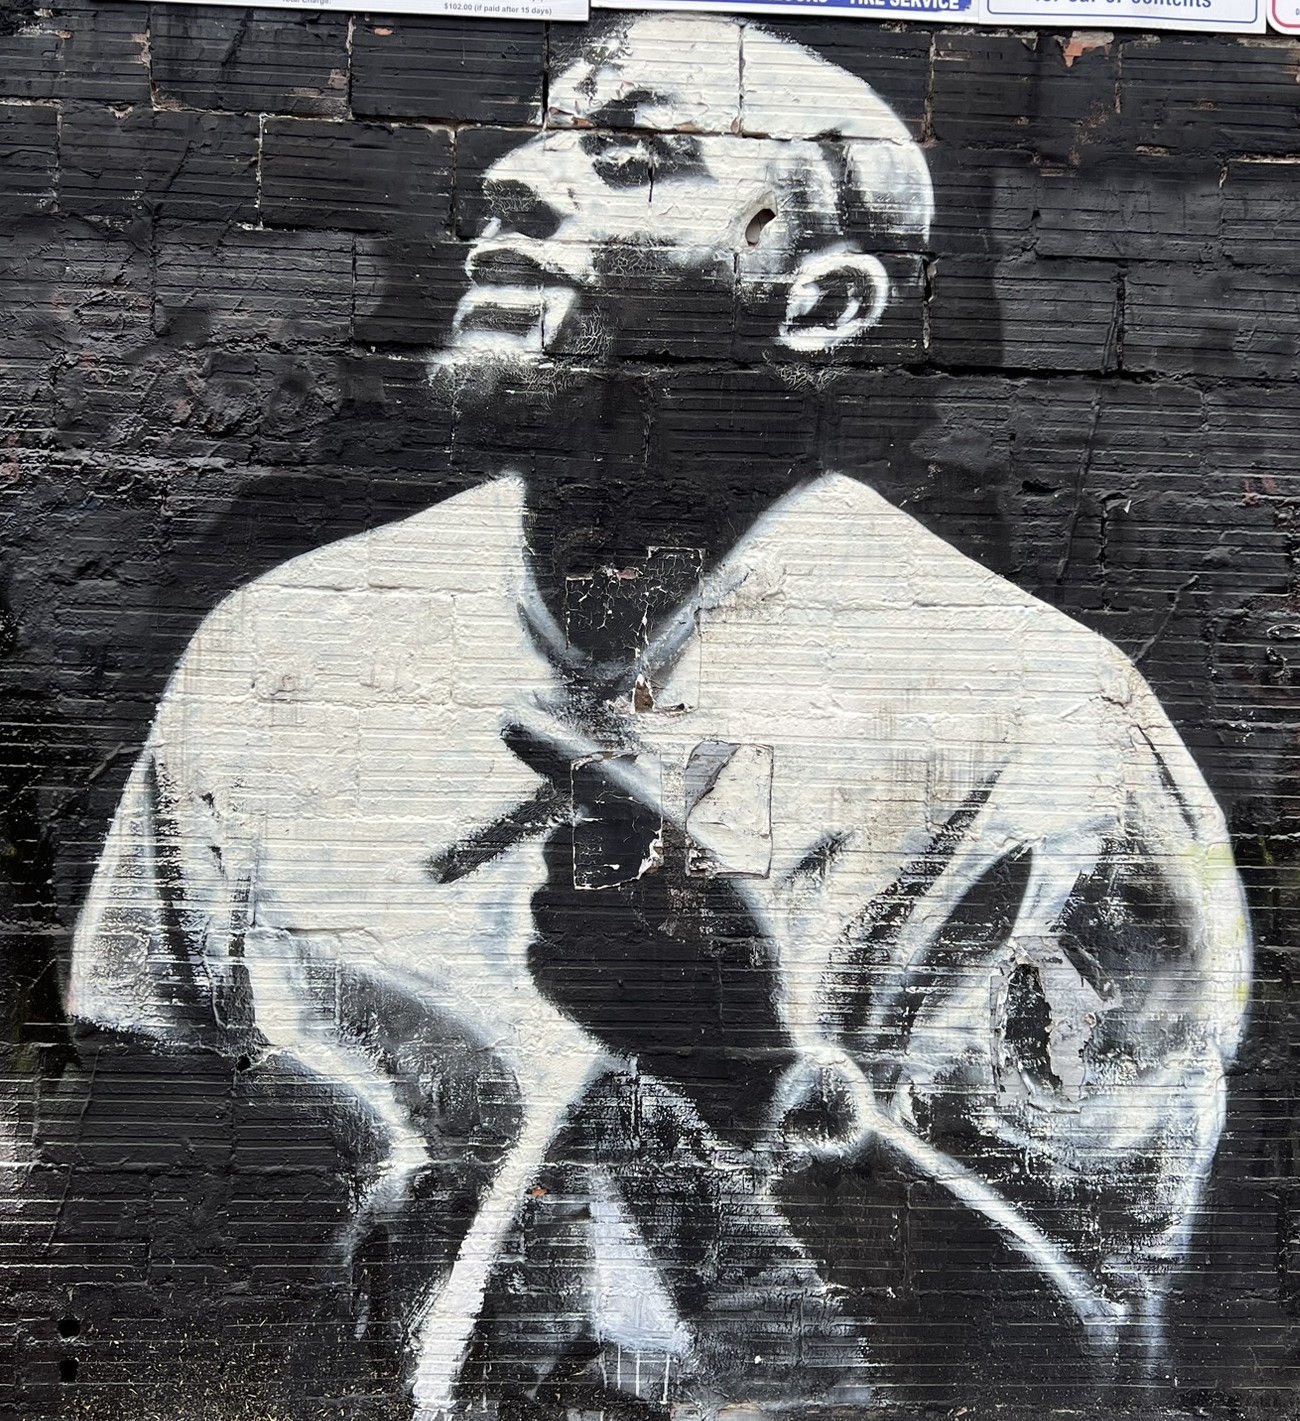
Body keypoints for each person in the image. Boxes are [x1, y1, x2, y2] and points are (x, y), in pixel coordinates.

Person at [66, 14, 1251, 1420]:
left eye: (633, 152)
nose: (510, 177)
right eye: (539, 132)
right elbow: (121, 1173)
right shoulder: (284, 650)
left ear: (818, 305)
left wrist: (740, 1063)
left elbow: (1081, 1366)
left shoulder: (1044, 730)